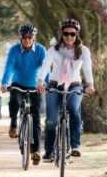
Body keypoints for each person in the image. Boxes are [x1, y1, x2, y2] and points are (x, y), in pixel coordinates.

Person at [36, 18, 95, 160]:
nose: (69, 37)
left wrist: (90, 84)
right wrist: (39, 81)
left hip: (75, 85)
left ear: (77, 35)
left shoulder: (83, 50)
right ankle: (49, 151)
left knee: (74, 109)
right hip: (54, 85)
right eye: (66, 33)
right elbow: (45, 66)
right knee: (51, 121)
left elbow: (87, 69)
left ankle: (75, 146)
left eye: (72, 34)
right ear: (62, 34)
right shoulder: (53, 50)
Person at [0, 24, 47, 165]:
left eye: (30, 37)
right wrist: (5, 82)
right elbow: (9, 66)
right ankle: (14, 123)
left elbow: (45, 67)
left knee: (36, 117)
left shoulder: (40, 49)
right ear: (21, 37)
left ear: (34, 38)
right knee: (14, 102)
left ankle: (36, 150)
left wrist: (47, 83)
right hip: (17, 84)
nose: (27, 40)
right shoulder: (14, 50)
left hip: (35, 86)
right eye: (24, 37)